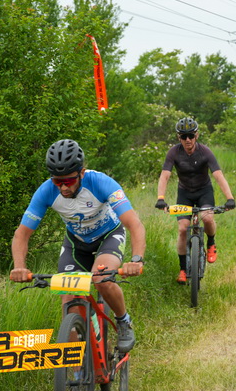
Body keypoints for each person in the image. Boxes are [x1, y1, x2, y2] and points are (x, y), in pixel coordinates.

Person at [10, 139, 145, 353]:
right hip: (76, 243)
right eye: (58, 181)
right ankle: (75, 363)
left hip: (109, 236)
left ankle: (123, 321)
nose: (63, 187)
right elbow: (21, 234)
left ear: (81, 172)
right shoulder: (46, 191)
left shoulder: (100, 182)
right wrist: (19, 266)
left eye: (69, 180)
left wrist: (136, 260)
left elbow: (134, 224)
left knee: (101, 278)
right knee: (69, 296)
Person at [155, 118, 235, 284]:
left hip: (204, 191)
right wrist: (160, 198)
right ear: (179, 137)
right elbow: (165, 176)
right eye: (184, 136)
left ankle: (211, 243)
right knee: (183, 228)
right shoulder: (174, 153)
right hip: (185, 193)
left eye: (191, 136)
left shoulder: (205, 152)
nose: (188, 140)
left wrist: (230, 198)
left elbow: (218, 175)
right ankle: (183, 269)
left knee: (208, 218)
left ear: (196, 135)